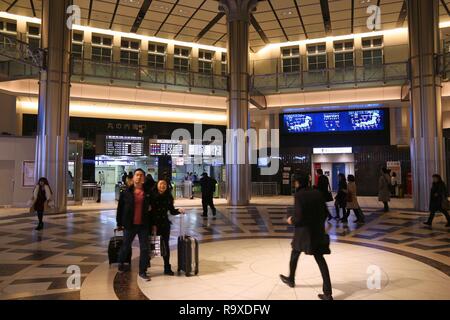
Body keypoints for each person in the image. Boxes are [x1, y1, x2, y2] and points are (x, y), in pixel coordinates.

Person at [279, 172, 333, 301]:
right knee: (320, 260)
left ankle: (291, 279)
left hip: (303, 234)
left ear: (297, 183)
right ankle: (328, 293)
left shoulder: (299, 195)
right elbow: (326, 213)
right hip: (317, 232)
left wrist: (291, 220)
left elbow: (299, 217)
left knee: (295, 253)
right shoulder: (317, 193)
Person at [116, 169, 152, 281]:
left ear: (144, 178)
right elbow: (120, 209)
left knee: (145, 248)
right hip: (129, 224)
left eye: (141, 175)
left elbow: (152, 207)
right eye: (137, 175)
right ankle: (121, 262)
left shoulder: (148, 192)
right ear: (133, 178)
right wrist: (119, 223)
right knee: (126, 246)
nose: (139, 177)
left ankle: (143, 271)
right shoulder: (126, 192)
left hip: (143, 225)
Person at [149, 180, 185, 275]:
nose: (163, 186)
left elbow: (172, 211)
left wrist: (179, 210)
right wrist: (152, 225)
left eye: (164, 184)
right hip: (153, 224)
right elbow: (149, 212)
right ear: (157, 185)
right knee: (151, 245)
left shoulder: (168, 197)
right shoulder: (151, 196)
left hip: (164, 224)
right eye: (161, 184)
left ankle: (167, 267)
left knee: (165, 246)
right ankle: (145, 265)